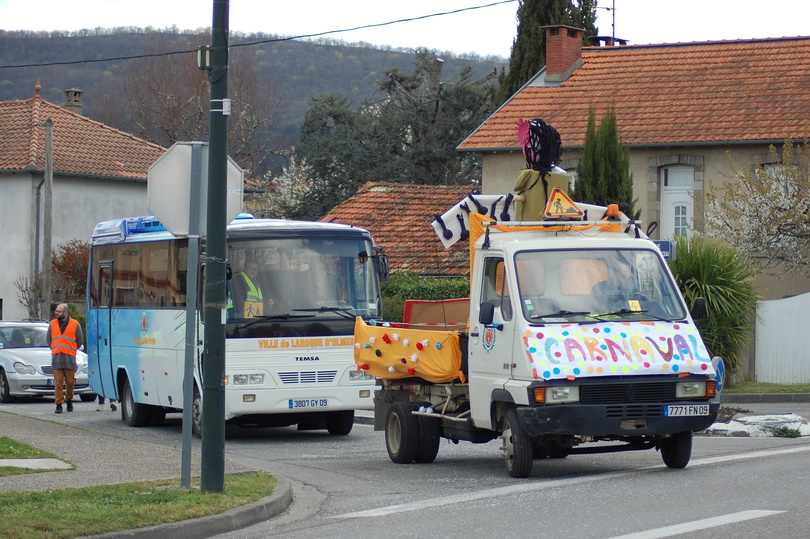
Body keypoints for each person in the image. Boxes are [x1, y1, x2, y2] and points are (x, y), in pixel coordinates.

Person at [47, 303, 83, 414]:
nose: (56, 313)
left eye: (58, 311)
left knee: (70, 382)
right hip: (57, 357)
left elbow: (79, 340)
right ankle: (58, 404)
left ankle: (69, 399)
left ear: (65, 313)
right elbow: (49, 339)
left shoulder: (75, 324)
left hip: (69, 358)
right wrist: (55, 349)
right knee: (58, 383)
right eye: (56, 311)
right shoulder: (52, 324)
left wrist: (71, 350)